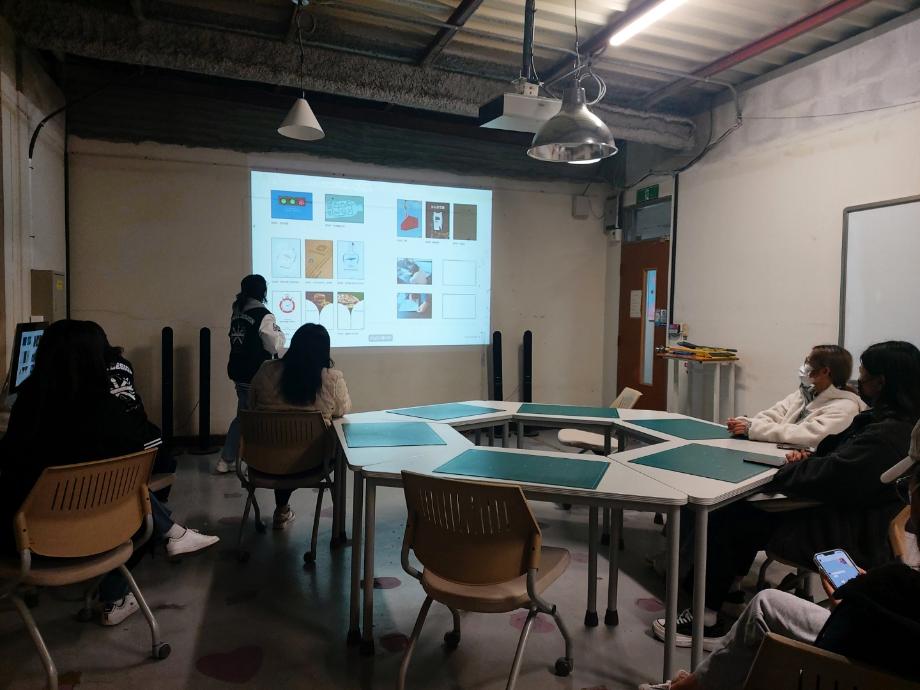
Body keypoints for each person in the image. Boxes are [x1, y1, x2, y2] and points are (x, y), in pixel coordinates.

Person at [652, 340, 920, 648]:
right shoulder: (890, 424)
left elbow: (834, 474)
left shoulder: (881, 432)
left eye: (864, 374)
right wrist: (807, 456)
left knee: (731, 513)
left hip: (840, 529)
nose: (860, 381)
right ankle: (728, 591)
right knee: (742, 509)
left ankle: (705, 619)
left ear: (881, 382)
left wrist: (792, 468)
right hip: (840, 511)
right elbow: (835, 457)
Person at [640, 418, 920, 690]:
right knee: (745, 531)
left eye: (910, 482)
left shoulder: (878, 432)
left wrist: (856, 605)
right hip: (879, 629)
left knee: (738, 520)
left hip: (873, 646)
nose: (906, 494)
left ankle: (697, 657)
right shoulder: (882, 425)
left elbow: (829, 474)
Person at [0, 320, 217, 626]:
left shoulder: (27, 407)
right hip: (106, 537)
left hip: (28, 545)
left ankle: (170, 534)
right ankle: (120, 589)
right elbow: (148, 450)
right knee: (133, 497)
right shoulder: (109, 411)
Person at [248, 323, 350, 529]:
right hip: (312, 463)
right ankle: (338, 529)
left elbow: (251, 405)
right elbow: (343, 409)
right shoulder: (331, 379)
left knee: (281, 444)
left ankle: (281, 509)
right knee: (334, 447)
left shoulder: (266, 370)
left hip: (263, 461)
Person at [726, 345, 865, 447]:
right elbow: (775, 413)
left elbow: (805, 435)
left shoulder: (845, 408)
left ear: (824, 371)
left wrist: (754, 429)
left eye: (808, 362)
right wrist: (746, 423)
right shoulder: (804, 394)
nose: (804, 366)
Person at [217, 274, 285, 474]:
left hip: (238, 371)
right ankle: (250, 461)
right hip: (256, 374)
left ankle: (227, 459)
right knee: (254, 418)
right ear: (263, 291)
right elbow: (273, 345)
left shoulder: (238, 311)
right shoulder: (264, 314)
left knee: (243, 415)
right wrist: (281, 335)